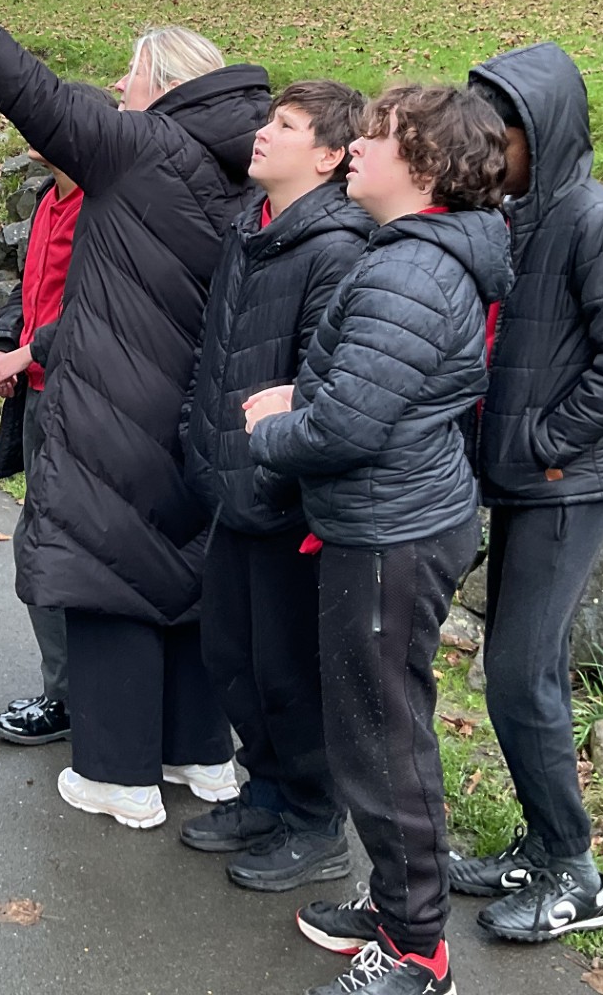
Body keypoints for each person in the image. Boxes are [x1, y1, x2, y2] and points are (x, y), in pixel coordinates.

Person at [0, 0, 268, 832]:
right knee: (181, 581)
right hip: (198, 408)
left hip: (115, 408)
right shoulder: (244, 172)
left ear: (166, 85)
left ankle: (117, 776)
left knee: (108, 581)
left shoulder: (143, 146)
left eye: (130, 76)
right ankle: (200, 758)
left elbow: (38, 95)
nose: (116, 89)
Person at [245, 84, 513, 995]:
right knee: (376, 730)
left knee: (384, 741)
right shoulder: (413, 255)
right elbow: (371, 399)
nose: (357, 148)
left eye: (379, 138)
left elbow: (347, 429)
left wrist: (273, 425)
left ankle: (416, 950)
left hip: (390, 532)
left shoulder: (409, 270)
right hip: (384, 520)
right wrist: (306, 404)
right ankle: (400, 902)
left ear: (428, 168)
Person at [454, 45, 603, 941]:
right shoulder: (519, 215)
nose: (488, 154)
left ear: (543, 133)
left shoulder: (592, 218)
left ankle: (576, 871)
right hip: (527, 483)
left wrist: (544, 442)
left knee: (518, 675)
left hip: (566, 486)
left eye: (501, 138)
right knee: (519, 671)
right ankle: (540, 846)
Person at [177, 81, 374, 892]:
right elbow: (217, 350)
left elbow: (320, 385)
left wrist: (275, 472)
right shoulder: (246, 230)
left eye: (285, 127)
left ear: (328, 158)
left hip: (286, 495)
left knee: (287, 668)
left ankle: (315, 820)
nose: (262, 135)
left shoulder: (335, 251)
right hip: (231, 483)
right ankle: (263, 792)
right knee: (231, 653)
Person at [0, 121, 97, 748]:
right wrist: (10, 346)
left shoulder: (99, 213)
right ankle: (67, 692)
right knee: (40, 540)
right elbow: (31, 296)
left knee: (48, 545)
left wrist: (30, 352)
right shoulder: (48, 200)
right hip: (37, 394)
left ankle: (69, 699)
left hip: (72, 399)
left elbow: (90, 311)